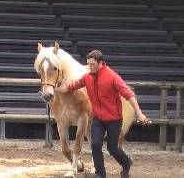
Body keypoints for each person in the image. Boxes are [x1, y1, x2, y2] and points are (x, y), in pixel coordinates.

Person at [55, 50, 150, 178]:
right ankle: (100, 173)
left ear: (100, 63)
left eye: (92, 64)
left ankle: (127, 164)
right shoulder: (87, 77)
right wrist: (54, 88)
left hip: (114, 119)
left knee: (113, 149)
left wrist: (140, 114)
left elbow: (129, 95)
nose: (89, 67)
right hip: (98, 119)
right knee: (95, 144)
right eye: (88, 64)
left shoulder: (112, 77)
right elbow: (72, 86)